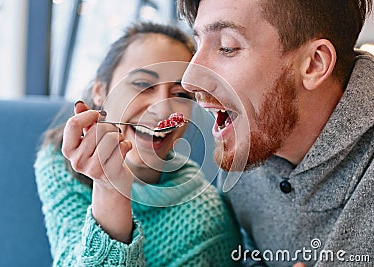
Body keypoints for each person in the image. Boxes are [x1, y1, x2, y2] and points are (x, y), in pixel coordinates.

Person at [177, 0, 374, 266]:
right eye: (198, 44)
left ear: (314, 64)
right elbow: (249, 252)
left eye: (226, 47)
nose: (188, 80)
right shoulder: (249, 138)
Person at [35, 21, 248, 266]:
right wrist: (108, 186)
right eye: (142, 85)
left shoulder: (205, 220)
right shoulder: (58, 163)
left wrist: (111, 189)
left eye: (180, 95)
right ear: (100, 91)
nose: (163, 109)